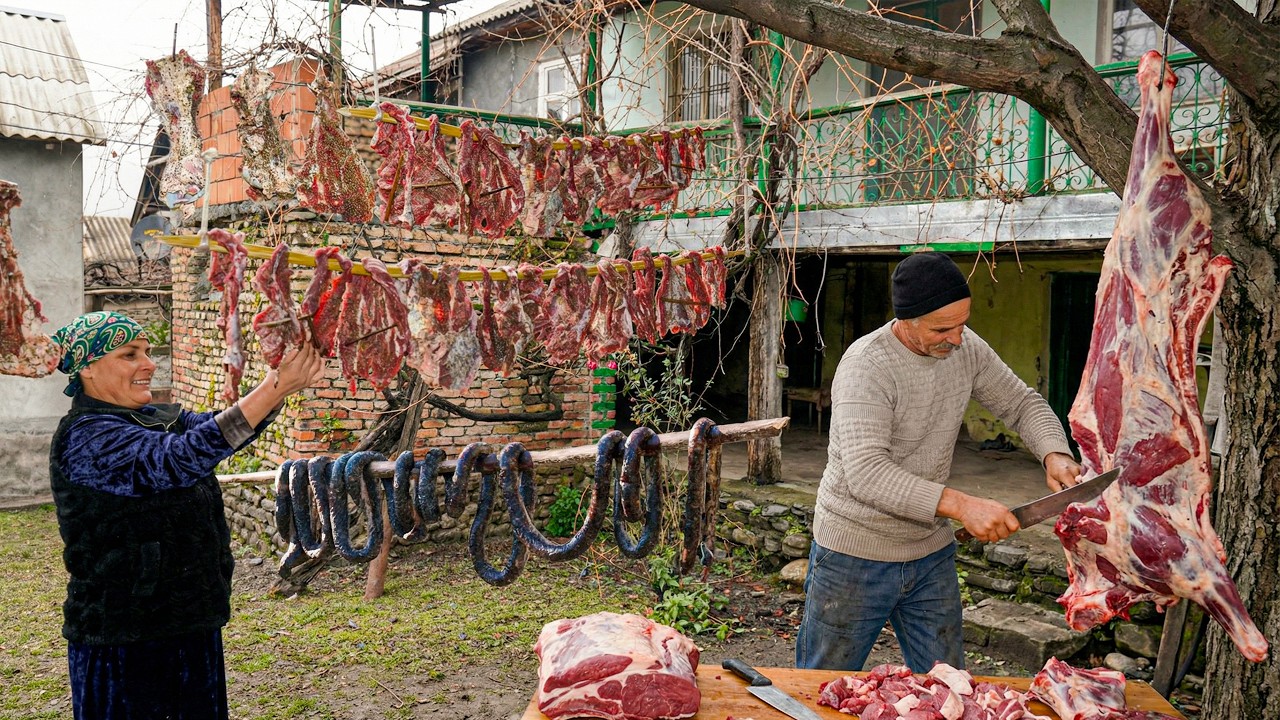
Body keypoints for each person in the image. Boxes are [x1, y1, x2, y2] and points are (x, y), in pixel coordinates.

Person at [795, 252, 1082, 674]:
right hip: (852, 557)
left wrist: (1054, 452)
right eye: (943, 329)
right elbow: (866, 473)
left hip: (930, 556)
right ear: (906, 320)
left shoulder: (965, 349)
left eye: (963, 324)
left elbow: (1022, 403)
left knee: (948, 687)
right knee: (820, 685)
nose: (958, 339)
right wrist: (964, 506)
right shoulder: (866, 366)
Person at [48, 311, 325, 720]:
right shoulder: (86, 437)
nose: (149, 363)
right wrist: (276, 385)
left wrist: (281, 382)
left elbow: (221, 429)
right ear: (88, 366)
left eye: (146, 351)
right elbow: (178, 459)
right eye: (130, 354)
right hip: (124, 638)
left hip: (189, 623)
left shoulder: (154, 417)